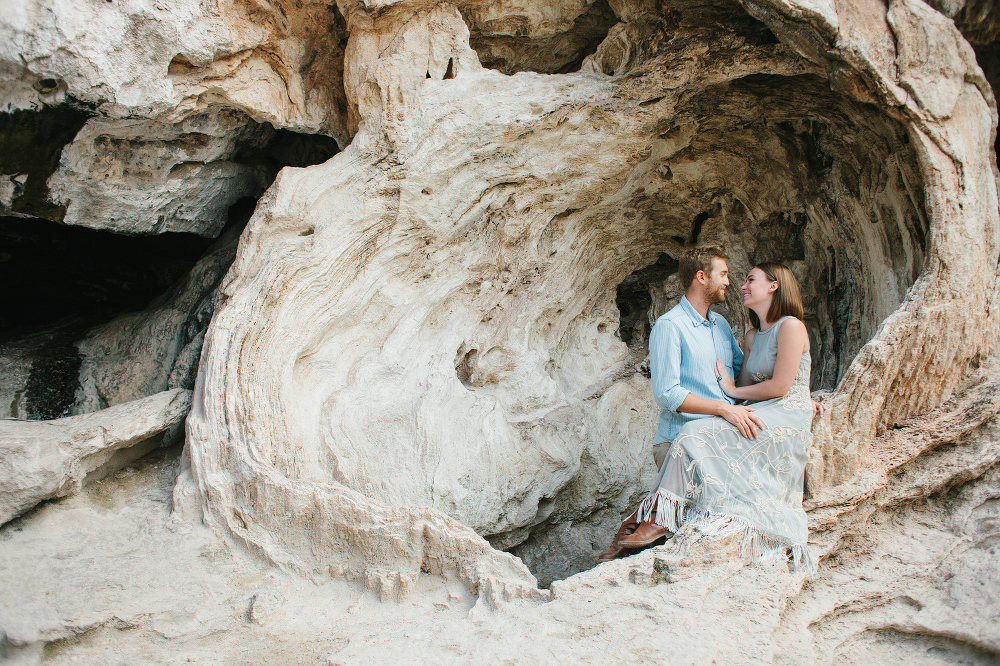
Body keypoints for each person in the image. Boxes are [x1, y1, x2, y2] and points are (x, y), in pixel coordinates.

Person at [600, 253, 818, 575]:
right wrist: (723, 408)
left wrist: (802, 397)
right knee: (675, 525)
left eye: (743, 278)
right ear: (702, 277)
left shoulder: (722, 326)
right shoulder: (669, 326)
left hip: (722, 433)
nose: (732, 283)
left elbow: (757, 376)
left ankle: (631, 528)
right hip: (682, 435)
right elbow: (667, 394)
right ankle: (626, 544)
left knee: (699, 532)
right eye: (725, 274)